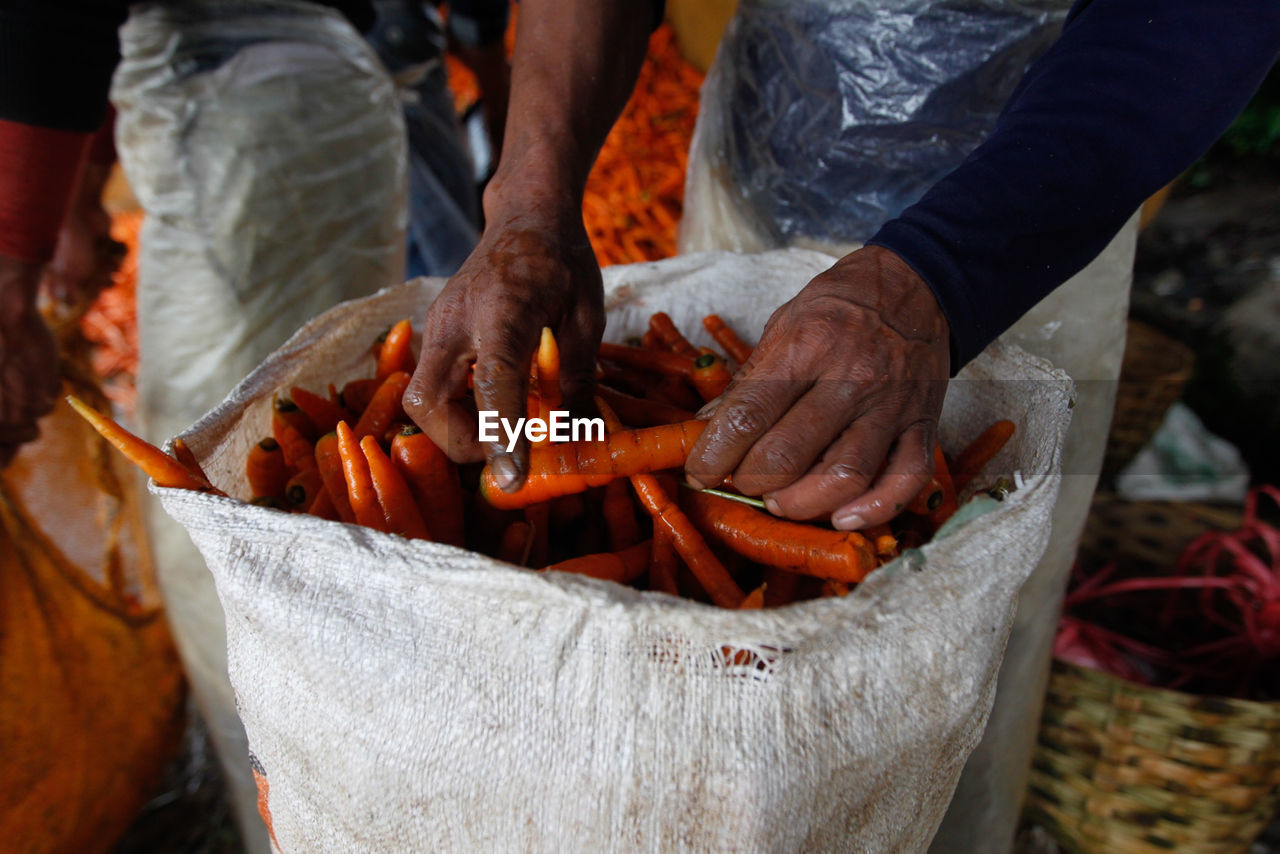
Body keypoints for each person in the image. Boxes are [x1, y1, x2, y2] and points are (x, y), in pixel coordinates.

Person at [402, 0, 1278, 850]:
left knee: (951, 665)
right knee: (703, 717)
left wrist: (939, 272)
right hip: (764, 152)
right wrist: (526, 204)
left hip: (1036, 215)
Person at [0, 1, 503, 850]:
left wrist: (13, 267)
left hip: (254, 128)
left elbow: (53, 20)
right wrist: (72, 192)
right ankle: (310, 811)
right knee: (267, 500)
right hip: (271, 109)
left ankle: (304, 819)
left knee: (226, 529)